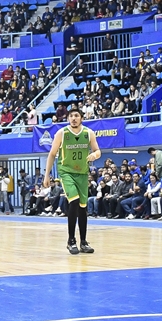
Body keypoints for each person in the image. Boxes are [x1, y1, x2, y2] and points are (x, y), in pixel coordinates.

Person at [44, 105, 102, 254]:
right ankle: (71, 240)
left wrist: (95, 155)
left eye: (76, 115)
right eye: (71, 116)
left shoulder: (89, 133)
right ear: (68, 118)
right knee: (74, 201)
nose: (74, 118)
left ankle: (83, 241)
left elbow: (98, 150)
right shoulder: (61, 133)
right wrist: (47, 175)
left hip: (82, 173)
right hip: (66, 172)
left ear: (81, 118)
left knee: (83, 207)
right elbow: (52, 154)